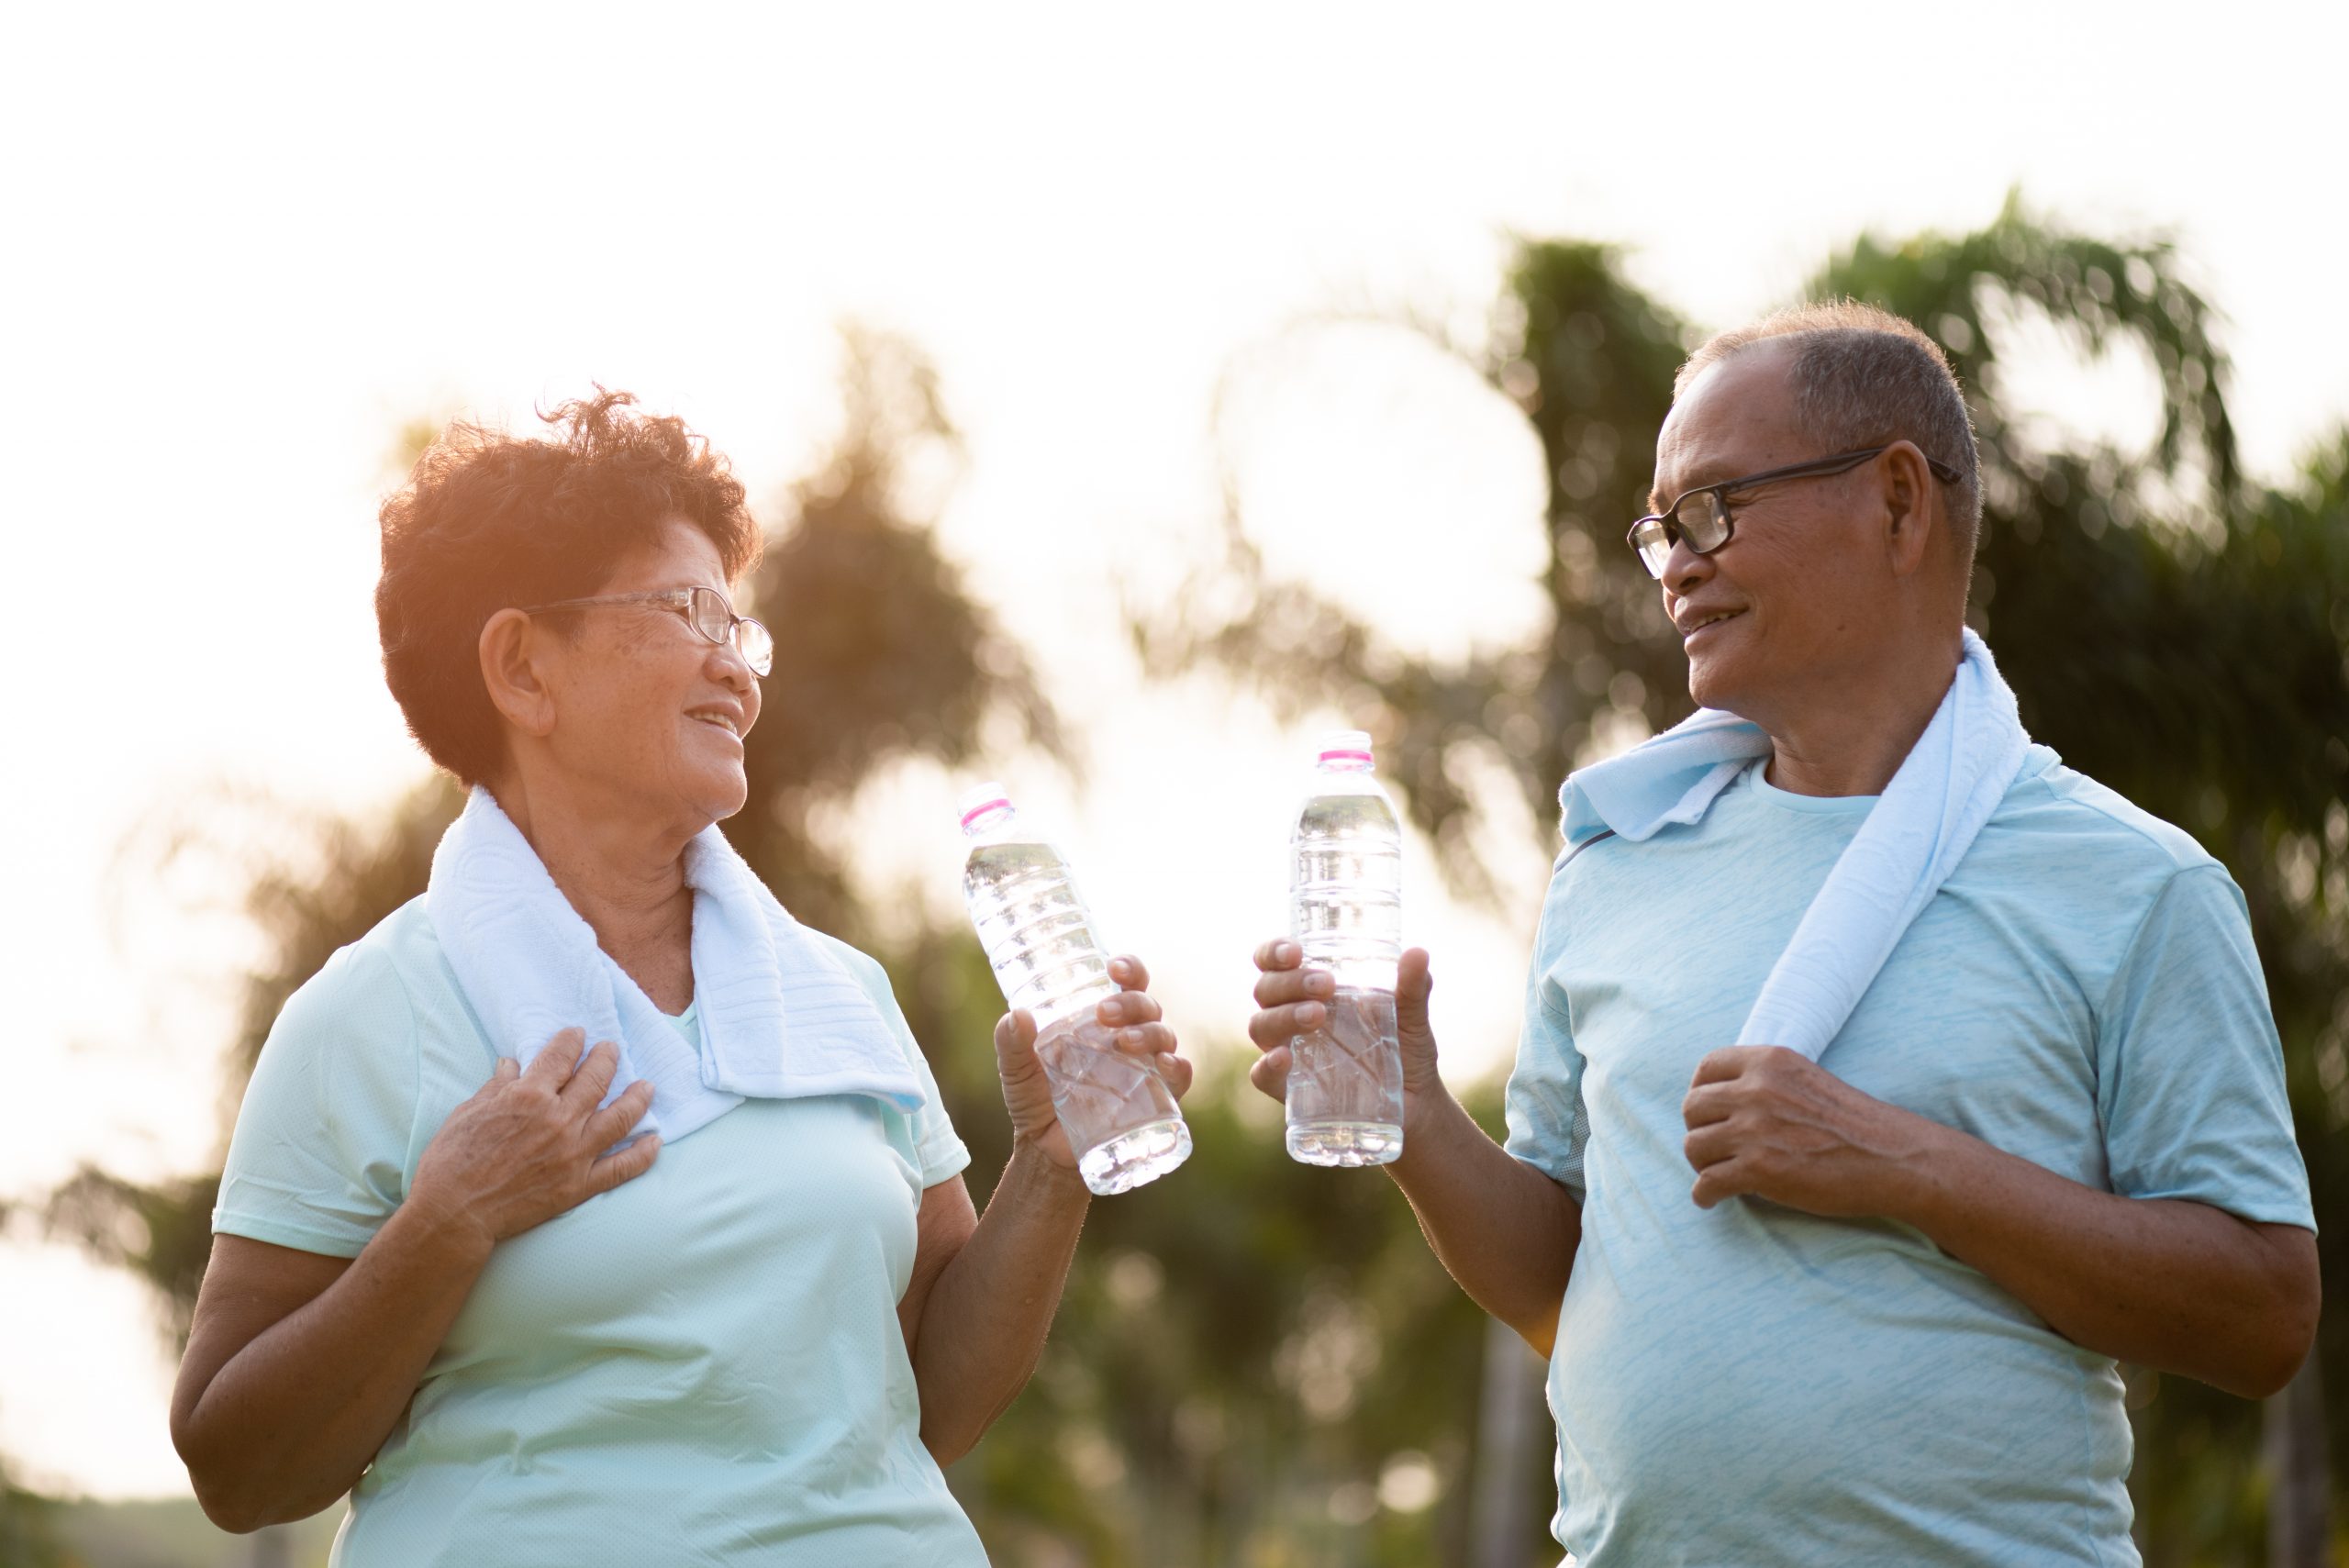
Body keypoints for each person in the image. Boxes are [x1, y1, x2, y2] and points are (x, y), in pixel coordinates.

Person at [1246, 303, 2318, 1565]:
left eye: (1715, 507)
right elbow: (1563, 1282)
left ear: (1900, 503)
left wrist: (1902, 1163)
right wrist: (1415, 1111)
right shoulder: (1619, 862)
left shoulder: (2133, 885)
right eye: (1660, 530)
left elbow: (2262, 1310)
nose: (1676, 565)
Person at [171, 392, 1190, 1564]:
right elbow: (236, 1467)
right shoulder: (371, 1014)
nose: (738, 670)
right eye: (684, 609)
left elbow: (930, 1402)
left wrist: (1049, 1171)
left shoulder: (836, 991)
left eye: (738, 625)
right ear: (521, 667)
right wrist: (447, 1222)